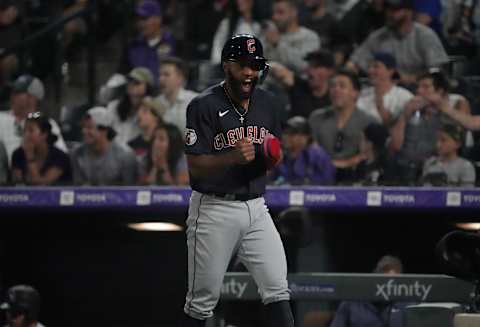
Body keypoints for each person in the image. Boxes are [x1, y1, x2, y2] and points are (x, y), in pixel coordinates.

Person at [181, 34, 294, 327]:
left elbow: (275, 154)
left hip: (256, 208)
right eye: (242, 64)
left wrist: (272, 156)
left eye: (255, 65)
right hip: (214, 209)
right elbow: (195, 166)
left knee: (277, 287)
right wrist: (230, 157)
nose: (249, 72)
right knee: (201, 302)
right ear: (226, 66)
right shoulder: (202, 105)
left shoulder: (268, 102)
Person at [348, 0, 448, 85]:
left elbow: (437, 71)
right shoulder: (378, 36)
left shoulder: (425, 35)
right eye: (387, 9)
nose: (389, 14)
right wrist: (351, 70)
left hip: (419, 90)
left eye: (395, 9)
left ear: (408, 12)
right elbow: (355, 63)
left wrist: (412, 78)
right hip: (386, 91)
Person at [309, 69, 374, 181]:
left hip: (355, 178)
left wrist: (347, 164)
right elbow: (310, 151)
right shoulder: (316, 118)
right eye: (333, 86)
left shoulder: (368, 122)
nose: (336, 90)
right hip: (319, 176)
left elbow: (368, 156)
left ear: (355, 93)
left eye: (342, 86)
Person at [0, 74, 67, 168]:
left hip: (34, 174)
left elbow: (61, 157)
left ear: (32, 98)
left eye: (18, 92)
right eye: (13, 92)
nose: (12, 95)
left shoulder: (46, 121)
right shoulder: (1, 117)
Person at [330, 255, 408, 327]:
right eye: (383, 281)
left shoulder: (407, 306)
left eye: (392, 283)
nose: (386, 287)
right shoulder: (351, 303)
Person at [70, 106, 137, 186]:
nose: (84, 131)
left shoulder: (125, 155)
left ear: (105, 130)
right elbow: (78, 188)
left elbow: (130, 190)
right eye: (83, 127)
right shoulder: (77, 153)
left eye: (89, 128)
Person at [118, 0, 176, 85]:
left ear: (158, 19)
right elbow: (122, 73)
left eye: (145, 19)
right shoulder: (132, 46)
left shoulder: (173, 43)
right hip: (138, 95)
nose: (141, 24)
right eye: (138, 19)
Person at [270, 115, 335, 185]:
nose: (286, 136)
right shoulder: (282, 157)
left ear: (305, 137)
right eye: (285, 133)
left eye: (291, 133)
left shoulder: (318, 156)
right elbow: (270, 184)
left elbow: (328, 185)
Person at [269, 49, 335, 118]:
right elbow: (276, 68)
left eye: (316, 67)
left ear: (330, 71)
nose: (310, 71)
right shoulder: (299, 85)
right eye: (310, 66)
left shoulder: (336, 96)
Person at [11, 112, 72, 186]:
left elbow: (41, 187)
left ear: (44, 134)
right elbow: (18, 184)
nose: (26, 135)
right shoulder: (18, 154)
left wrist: (30, 156)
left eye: (31, 131)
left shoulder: (60, 157)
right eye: (24, 131)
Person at [261, 0, 320, 75]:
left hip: (297, 84)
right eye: (274, 13)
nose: (275, 17)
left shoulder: (309, 37)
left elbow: (304, 66)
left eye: (280, 12)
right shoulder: (267, 37)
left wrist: (278, 44)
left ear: (293, 12)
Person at [356, 52, 413, 125]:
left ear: (391, 71)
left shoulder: (404, 97)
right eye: (369, 67)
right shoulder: (361, 94)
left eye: (376, 66)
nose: (370, 71)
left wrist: (380, 105)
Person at [106, 67, 154, 146]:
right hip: (114, 153)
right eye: (129, 81)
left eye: (136, 82)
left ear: (148, 87)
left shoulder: (151, 110)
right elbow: (105, 132)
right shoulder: (114, 106)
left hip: (138, 154)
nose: (131, 85)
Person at [155, 57, 198, 135]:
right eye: (160, 75)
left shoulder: (195, 102)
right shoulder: (156, 103)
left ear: (180, 78)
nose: (161, 79)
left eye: (166, 75)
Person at [128, 96, 165, 161]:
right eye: (138, 111)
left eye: (144, 111)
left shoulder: (164, 142)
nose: (139, 114)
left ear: (156, 116)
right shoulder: (133, 144)